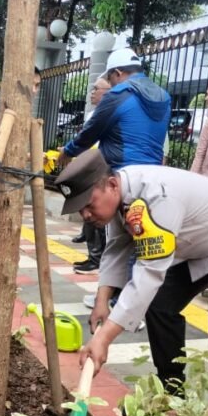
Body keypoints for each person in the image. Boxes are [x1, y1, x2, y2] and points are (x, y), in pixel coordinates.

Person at [59, 149, 208, 416]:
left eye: (89, 204)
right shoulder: (123, 197)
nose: (86, 215)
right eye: (79, 209)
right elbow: (118, 246)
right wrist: (102, 302)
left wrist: (104, 338)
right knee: (159, 304)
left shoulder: (156, 197)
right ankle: (171, 393)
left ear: (112, 185)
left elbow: (149, 274)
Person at [57, 48, 171, 170]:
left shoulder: (118, 95)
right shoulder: (164, 97)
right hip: (152, 175)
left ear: (118, 73)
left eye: (110, 79)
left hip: (121, 175)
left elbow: (91, 132)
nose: (110, 85)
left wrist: (68, 151)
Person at [71, 76, 113, 273]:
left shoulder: (113, 111)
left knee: (98, 215)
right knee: (87, 214)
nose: (92, 92)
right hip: (90, 167)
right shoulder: (92, 114)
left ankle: (98, 258)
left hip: (104, 169)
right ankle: (93, 255)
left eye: (96, 89)